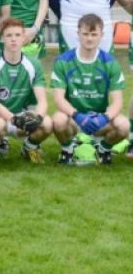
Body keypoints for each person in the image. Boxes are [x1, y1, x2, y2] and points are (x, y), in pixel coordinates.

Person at [51, 14, 128, 165]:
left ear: (102, 35)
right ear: (78, 33)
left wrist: (103, 118)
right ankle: (68, 149)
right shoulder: (63, 61)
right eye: (85, 34)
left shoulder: (110, 63)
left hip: (98, 120)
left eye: (94, 34)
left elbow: (117, 102)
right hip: (74, 119)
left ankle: (103, 149)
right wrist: (77, 115)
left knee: (124, 126)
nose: (89, 38)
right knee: (58, 120)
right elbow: (58, 98)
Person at [0, 18, 52, 163]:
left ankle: (29, 148)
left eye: (17, 35)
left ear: (23, 38)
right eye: (9, 36)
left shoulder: (33, 64)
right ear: (2, 38)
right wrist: (13, 119)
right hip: (1, 116)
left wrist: (37, 118)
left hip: (24, 115)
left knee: (47, 124)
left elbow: (42, 101)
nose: (13, 39)